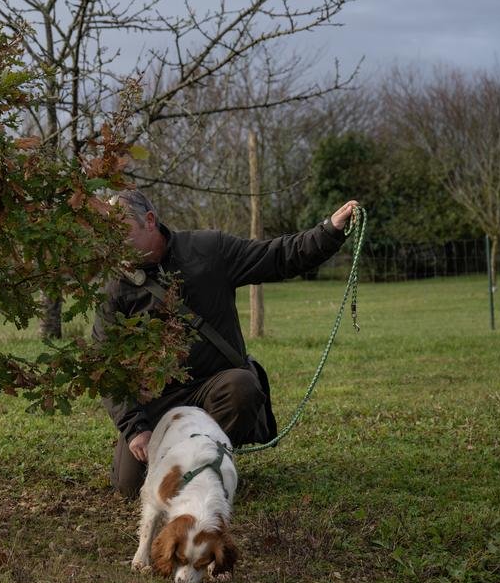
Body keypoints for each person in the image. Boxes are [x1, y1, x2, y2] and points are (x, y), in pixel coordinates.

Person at [93, 188, 358, 498]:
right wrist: (135, 427)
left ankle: (208, 466)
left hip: (214, 388)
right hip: (157, 400)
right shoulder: (114, 287)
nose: (115, 243)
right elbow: (105, 364)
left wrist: (328, 231)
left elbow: (277, 257)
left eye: (120, 230)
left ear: (149, 220)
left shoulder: (208, 249)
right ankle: (181, 456)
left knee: (242, 387)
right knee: (130, 488)